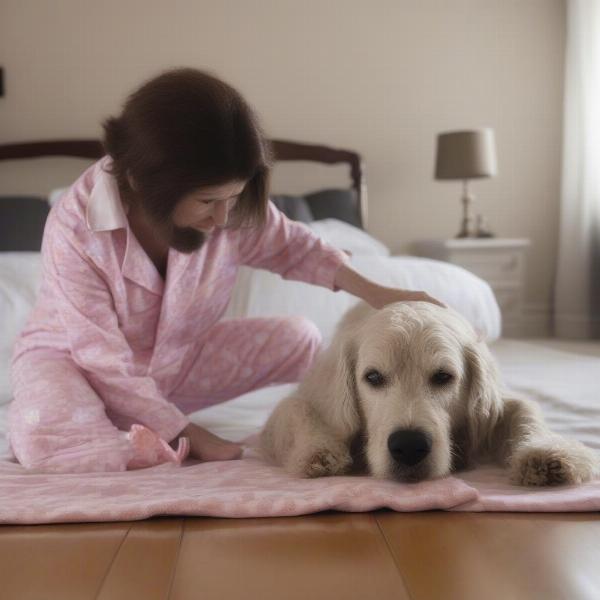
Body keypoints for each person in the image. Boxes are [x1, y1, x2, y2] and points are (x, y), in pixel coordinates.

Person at [7, 68, 444, 474]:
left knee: (301, 337)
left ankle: (142, 423)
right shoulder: (75, 225)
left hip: (173, 366)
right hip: (74, 366)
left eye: (232, 199)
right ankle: (122, 435)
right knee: (49, 431)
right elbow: (98, 356)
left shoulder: (226, 204)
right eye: (207, 202)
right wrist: (189, 433)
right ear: (143, 182)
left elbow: (294, 246)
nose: (222, 219)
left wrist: (378, 293)